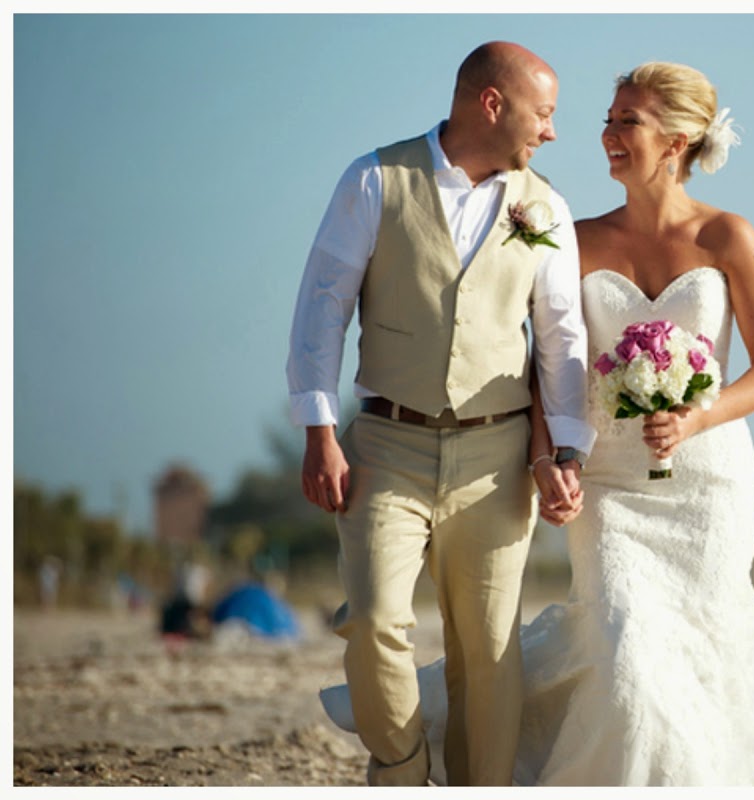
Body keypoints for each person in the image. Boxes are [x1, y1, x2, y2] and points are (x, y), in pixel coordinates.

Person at [323, 60, 754, 786]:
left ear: (677, 141)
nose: (604, 134)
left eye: (625, 121)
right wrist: (552, 458)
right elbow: (549, 361)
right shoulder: (575, 233)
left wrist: (701, 415)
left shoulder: (729, 238)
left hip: (706, 485)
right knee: (624, 647)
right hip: (608, 484)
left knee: (696, 661)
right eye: (609, 118)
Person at [291, 42, 594, 786]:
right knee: (372, 621)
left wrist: (567, 455)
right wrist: (320, 431)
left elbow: (562, 340)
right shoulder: (374, 179)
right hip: (386, 444)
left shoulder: (544, 205)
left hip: (497, 458)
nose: (552, 132)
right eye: (544, 113)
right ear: (492, 105)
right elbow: (321, 310)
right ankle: (399, 766)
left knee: (489, 652)